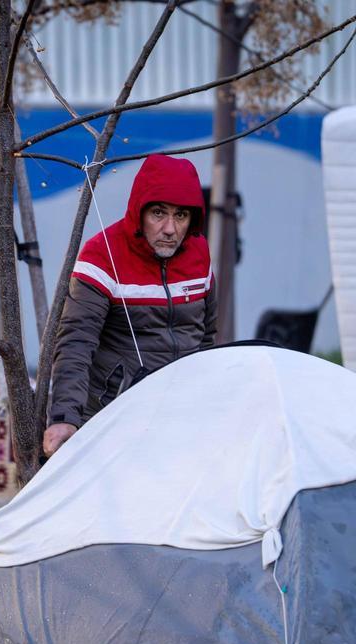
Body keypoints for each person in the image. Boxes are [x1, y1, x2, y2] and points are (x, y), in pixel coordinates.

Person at [44, 154, 217, 457]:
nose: (170, 228)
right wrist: (64, 418)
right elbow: (75, 343)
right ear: (139, 212)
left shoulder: (199, 252)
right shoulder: (101, 255)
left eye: (180, 216)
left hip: (181, 414)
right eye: (159, 213)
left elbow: (207, 334)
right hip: (111, 415)